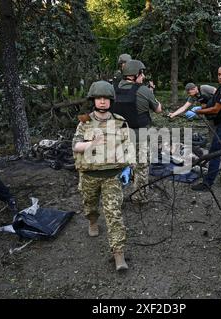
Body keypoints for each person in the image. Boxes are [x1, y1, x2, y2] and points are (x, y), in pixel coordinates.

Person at [73, 80, 131, 271]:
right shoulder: (85, 121)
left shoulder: (120, 121)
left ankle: (118, 254)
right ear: (93, 100)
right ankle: (92, 220)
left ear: (111, 100)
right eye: (99, 98)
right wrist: (92, 143)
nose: (103, 102)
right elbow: (76, 146)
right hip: (89, 174)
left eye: (106, 98)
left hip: (112, 175)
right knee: (89, 203)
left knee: (114, 214)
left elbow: (127, 147)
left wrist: (127, 168)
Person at [111, 59, 162, 203]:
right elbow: (158, 109)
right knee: (141, 167)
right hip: (139, 137)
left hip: (119, 137)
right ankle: (140, 197)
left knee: (118, 167)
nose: (143, 76)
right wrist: (151, 93)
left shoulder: (113, 89)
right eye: (142, 73)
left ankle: (114, 198)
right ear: (135, 74)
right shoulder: (143, 90)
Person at [191, 65, 221, 191]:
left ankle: (207, 183)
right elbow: (213, 103)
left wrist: (199, 112)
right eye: (219, 74)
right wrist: (203, 108)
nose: (220, 76)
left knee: (214, 153)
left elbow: (216, 108)